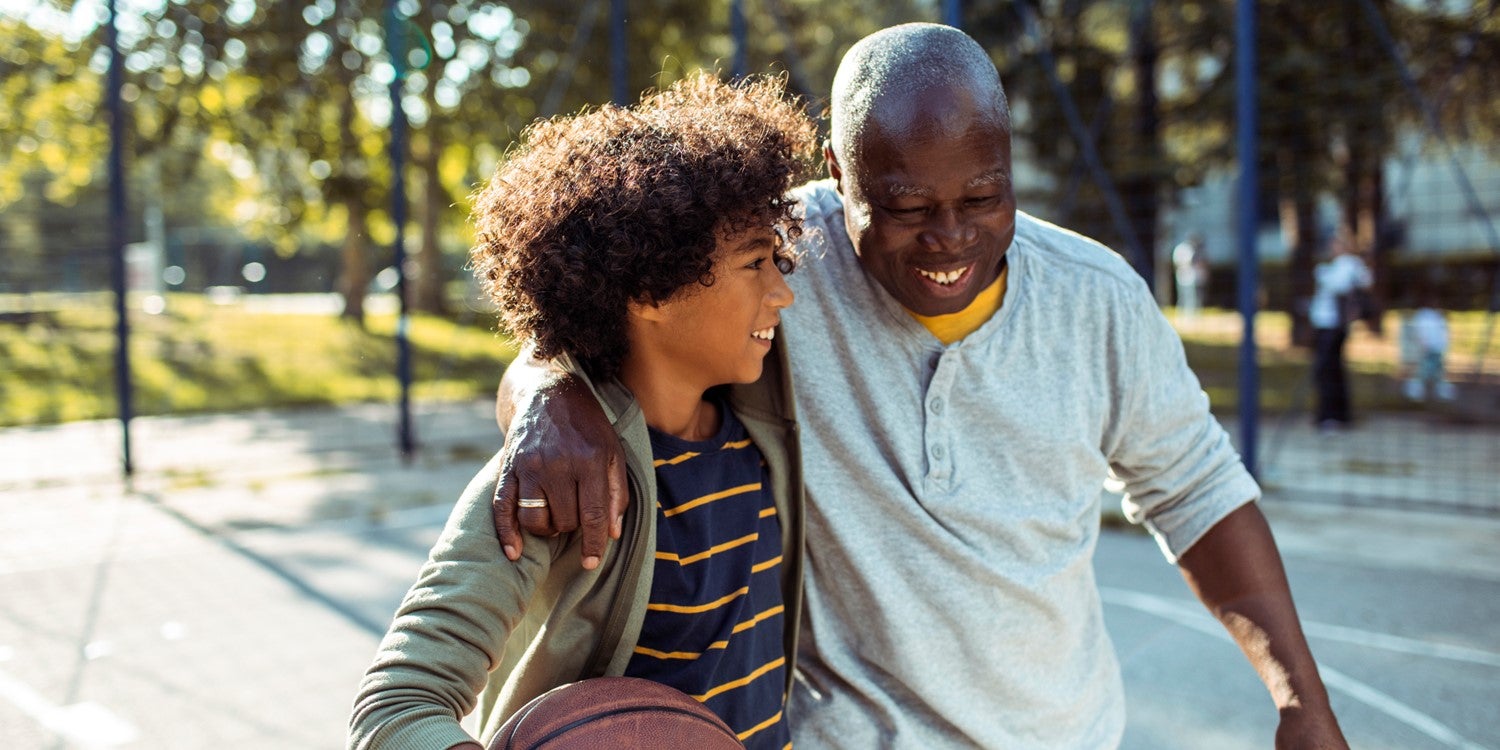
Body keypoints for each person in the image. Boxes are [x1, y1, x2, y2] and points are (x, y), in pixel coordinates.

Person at [489, 24, 1348, 749]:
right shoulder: (780, 267)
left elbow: (1196, 489)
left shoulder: (1097, 298)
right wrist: (548, 390)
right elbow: (607, 314)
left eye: (983, 196)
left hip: (1064, 732)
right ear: (839, 170)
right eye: (905, 208)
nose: (950, 240)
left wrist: (1301, 699)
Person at [347, 73, 816, 750]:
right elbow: (396, 704)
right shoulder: (556, 479)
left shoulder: (760, 426)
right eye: (754, 265)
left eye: (780, 259)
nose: (784, 294)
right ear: (652, 290)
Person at [1309, 230, 1374, 431]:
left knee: (1328, 371)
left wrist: (1323, 274)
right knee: (1332, 370)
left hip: (1332, 326)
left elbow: (1342, 285)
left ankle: (1332, 416)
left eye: (1336, 244)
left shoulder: (1347, 264)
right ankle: (1336, 415)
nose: (1332, 248)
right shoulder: (1344, 265)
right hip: (1326, 324)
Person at [1403, 289, 1456, 402]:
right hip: (1427, 348)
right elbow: (1420, 331)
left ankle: (1439, 392)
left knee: (1438, 372)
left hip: (1437, 348)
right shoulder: (1423, 315)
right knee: (1424, 371)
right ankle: (1415, 391)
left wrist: (1443, 345)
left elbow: (1443, 332)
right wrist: (1422, 344)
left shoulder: (1437, 315)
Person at [1172, 231, 1209, 317]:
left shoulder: (1191, 249)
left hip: (1189, 277)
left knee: (1191, 296)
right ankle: (1183, 313)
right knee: (1183, 296)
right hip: (1183, 276)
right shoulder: (1184, 249)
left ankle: (1191, 314)